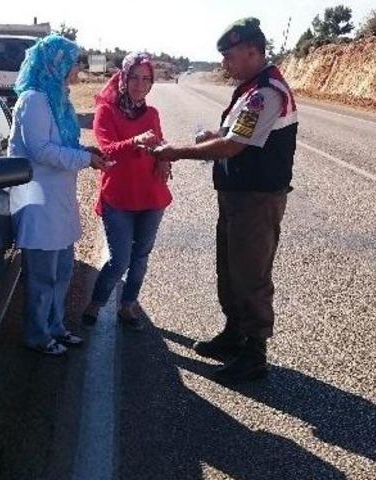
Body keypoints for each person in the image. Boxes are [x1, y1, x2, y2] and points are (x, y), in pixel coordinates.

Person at [150, 17, 298, 383]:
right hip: (238, 196)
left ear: (253, 51)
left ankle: (254, 353)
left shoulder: (266, 93)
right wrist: (209, 136)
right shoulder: (250, 89)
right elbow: (233, 134)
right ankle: (235, 333)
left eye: (230, 55)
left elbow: (233, 146)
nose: (224, 63)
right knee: (230, 269)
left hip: (256, 199)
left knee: (250, 274)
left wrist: (178, 151)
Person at [8, 34, 110, 356]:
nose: (77, 68)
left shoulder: (59, 99)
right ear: (56, 64)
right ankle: (37, 335)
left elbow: (63, 145)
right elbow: (40, 150)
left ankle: (56, 326)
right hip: (38, 203)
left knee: (63, 271)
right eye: (72, 62)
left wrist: (85, 150)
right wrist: (84, 159)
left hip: (60, 202)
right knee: (42, 278)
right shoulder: (34, 99)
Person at [81, 52, 172, 331]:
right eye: (134, 77)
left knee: (141, 256)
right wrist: (136, 141)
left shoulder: (152, 113)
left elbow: (157, 144)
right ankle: (95, 303)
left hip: (151, 196)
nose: (140, 84)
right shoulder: (106, 111)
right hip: (118, 197)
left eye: (146, 79)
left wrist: (164, 157)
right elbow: (106, 149)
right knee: (119, 260)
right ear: (123, 77)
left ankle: (128, 304)